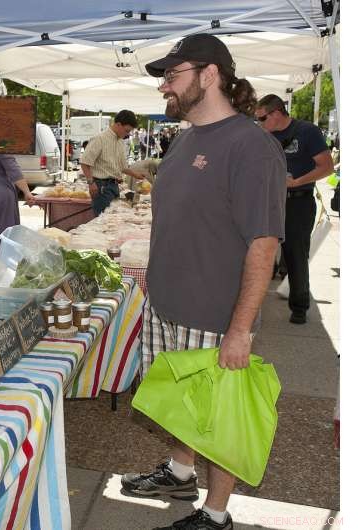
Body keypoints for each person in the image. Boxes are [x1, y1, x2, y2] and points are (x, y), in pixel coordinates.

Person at [122, 34, 287, 530]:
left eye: (172, 77)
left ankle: (215, 516)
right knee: (181, 405)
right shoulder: (187, 139)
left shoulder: (252, 147)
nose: (164, 89)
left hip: (215, 314)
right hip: (168, 303)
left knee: (217, 417)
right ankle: (179, 471)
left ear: (209, 75)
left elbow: (264, 244)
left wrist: (240, 329)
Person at [255, 94, 335, 324]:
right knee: (260, 248)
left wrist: (297, 182)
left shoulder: (307, 131)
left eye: (262, 118)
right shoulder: (263, 135)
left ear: (276, 113)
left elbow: (327, 167)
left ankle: (299, 306)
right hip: (268, 199)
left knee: (295, 254)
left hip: (298, 200)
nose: (259, 123)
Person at [79, 109, 145, 216]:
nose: (127, 134)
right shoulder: (99, 139)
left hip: (114, 186)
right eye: (127, 131)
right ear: (118, 124)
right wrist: (91, 183)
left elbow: (122, 167)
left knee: (113, 220)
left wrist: (136, 175)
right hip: (101, 187)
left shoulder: (120, 142)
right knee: (103, 222)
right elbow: (84, 162)